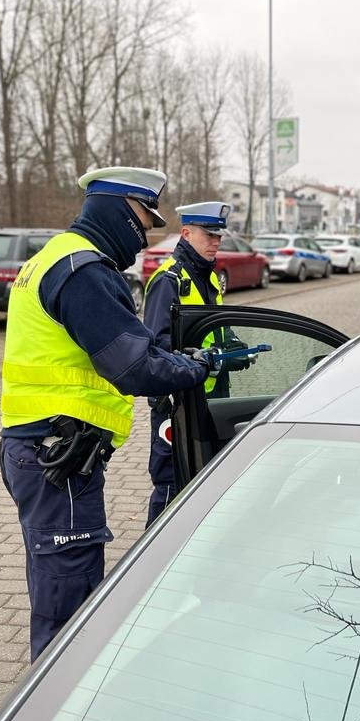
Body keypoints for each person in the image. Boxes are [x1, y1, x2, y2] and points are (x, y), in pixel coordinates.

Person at [0, 167, 211, 661]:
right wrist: (194, 368)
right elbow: (133, 366)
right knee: (69, 602)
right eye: (144, 221)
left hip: (38, 450)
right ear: (120, 210)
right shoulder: (84, 271)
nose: (144, 238)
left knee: (55, 583)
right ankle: (58, 698)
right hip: (58, 459)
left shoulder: (53, 257)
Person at [142, 201, 252, 527]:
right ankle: (154, 552)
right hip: (177, 402)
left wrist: (234, 348)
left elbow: (216, 329)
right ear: (186, 233)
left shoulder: (210, 278)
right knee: (171, 485)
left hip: (211, 398)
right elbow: (155, 348)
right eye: (209, 235)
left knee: (205, 480)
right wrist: (205, 361)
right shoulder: (169, 281)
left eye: (219, 236)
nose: (216, 242)